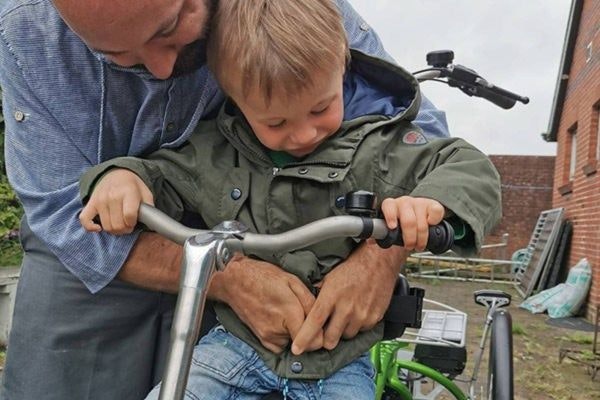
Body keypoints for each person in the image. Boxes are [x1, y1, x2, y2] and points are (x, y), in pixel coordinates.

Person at [0, 0, 452, 398]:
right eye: (116, 56)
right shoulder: (22, 29)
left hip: (253, 242)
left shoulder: (290, 9)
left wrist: (378, 258)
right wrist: (228, 279)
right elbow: (61, 209)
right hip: (95, 246)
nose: (159, 69)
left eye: (168, 26)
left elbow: (417, 135)